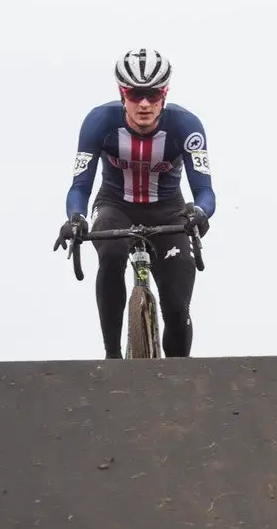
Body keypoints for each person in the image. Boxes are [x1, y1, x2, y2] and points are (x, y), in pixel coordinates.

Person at [53, 48, 215, 358]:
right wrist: (75, 217)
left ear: (164, 94)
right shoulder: (98, 121)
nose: (144, 104)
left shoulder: (186, 126)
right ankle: (113, 358)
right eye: (134, 94)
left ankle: (177, 378)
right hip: (116, 205)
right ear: (121, 92)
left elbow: (205, 191)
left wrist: (200, 212)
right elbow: (80, 184)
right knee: (111, 256)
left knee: (177, 308)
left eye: (152, 95)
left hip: (168, 209)